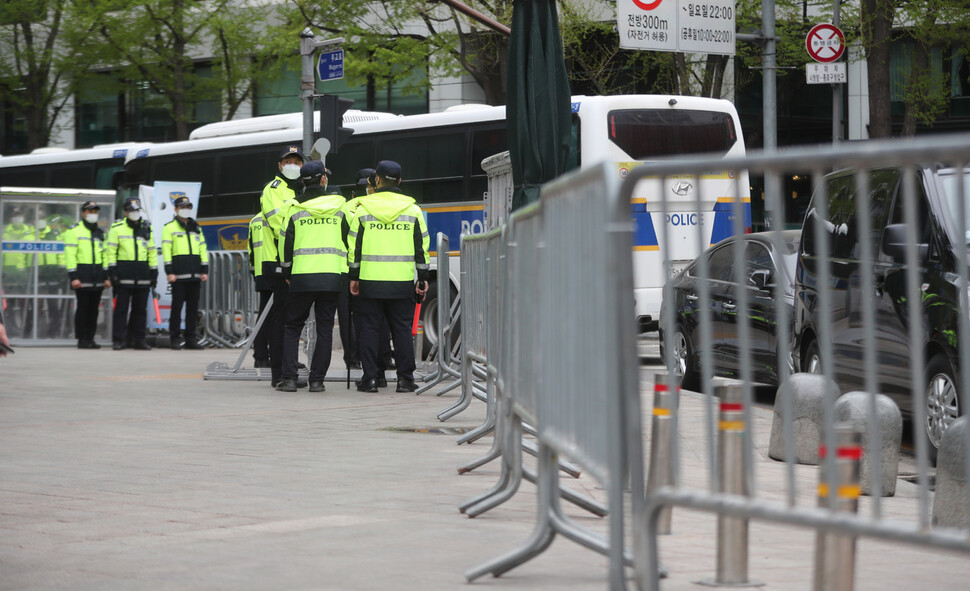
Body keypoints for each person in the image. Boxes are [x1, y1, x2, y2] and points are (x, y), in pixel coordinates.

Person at [348, 160, 430, 393]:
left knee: (370, 330)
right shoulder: (413, 210)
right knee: (401, 331)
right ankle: (405, 380)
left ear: (376, 180)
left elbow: (355, 247)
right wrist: (422, 278)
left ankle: (371, 379)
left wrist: (354, 276)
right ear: (400, 181)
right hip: (401, 282)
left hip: (370, 282)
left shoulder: (363, 209)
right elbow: (421, 247)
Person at [276, 160, 350, 392]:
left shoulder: (293, 208)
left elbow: (284, 243)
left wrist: (287, 271)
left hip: (301, 276)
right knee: (325, 329)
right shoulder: (341, 206)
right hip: (331, 276)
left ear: (303, 181)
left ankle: (288, 379)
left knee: (292, 327)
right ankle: (317, 381)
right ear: (324, 179)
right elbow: (352, 238)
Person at [259, 145, 305, 388]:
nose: (293, 166)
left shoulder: (301, 188)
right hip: (279, 261)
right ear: (280, 165)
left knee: (292, 320)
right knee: (282, 320)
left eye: (297, 162)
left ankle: (289, 370)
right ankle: (279, 375)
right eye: (289, 161)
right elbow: (280, 224)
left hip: (299, 260)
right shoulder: (274, 189)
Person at [105, 197, 157, 350]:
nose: (135, 213)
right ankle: (119, 340)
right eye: (132, 210)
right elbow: (111, 252)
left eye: (137, 210)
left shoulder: (147, 227)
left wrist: (154, 271)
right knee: (121, 309)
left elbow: (152, 251)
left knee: (140, 310)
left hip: (142, 275)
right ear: (126, 212)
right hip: (123, 275)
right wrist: (112, 272)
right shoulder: (117, 228)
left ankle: (138, 340)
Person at [162, 195, 209, 350]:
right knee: (177, 308)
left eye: (188, 207)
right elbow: (167, 251)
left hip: (195, 275)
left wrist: (204, 270)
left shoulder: (196, 228)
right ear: (176, 210)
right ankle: (175, 338)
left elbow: (203, 249)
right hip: (178, 276)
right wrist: (169, 271)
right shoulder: (169, 228)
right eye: (182, 207)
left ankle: (191, 339)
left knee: (192, 309)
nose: (185, 210)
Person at [63, 201, 110, 349]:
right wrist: (73, 277)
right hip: (82, 276)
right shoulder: (74, 231)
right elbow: (70, 255)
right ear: (83, 213)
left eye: (95, 211)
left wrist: (106, 276)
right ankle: (82, 339)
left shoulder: (101, 233)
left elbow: (105, 256)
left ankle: (90, 338)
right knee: (83, 308)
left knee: (94, 310)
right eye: (90, 211)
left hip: (97, 277)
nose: (93, 214)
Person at [247, 211, 278, 368]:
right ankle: (267, 356)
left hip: (261, 272)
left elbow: (251, 250)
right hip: (275, 270)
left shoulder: (255, 220)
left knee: (264, 316)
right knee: (274, 317)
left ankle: (261, 356)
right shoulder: (278, 216)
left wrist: (254, 272)